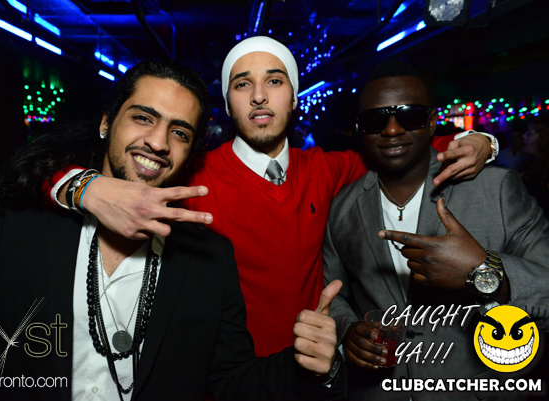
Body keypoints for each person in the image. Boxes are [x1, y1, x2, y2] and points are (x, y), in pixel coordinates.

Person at [41, 37, 495, 358]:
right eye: (243, 84)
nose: (259, 96)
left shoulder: (328, 168)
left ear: (294, 97)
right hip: (221, 375)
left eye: (274, 81)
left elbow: (405, 147)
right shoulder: (192, 173)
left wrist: (479, 141)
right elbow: (42, 177)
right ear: (228, 103)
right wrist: (85, 187)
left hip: (315, 370)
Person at [0, 61, 346, 401]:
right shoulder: (25, 225)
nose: (158, 142)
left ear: (191, 153)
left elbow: (231, 381)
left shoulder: (208, 258)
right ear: (106, 122)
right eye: (143, 117)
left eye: (180, 132)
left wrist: (306, 365)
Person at [323, 59, 549, 400]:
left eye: (410, 116)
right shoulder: (342, 207)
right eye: (375, 120)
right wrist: (347, 330)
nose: (392, 130)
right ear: (360, 129)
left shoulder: (496, 188)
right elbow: (333, 291)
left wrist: (484, 272)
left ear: (431, 123)